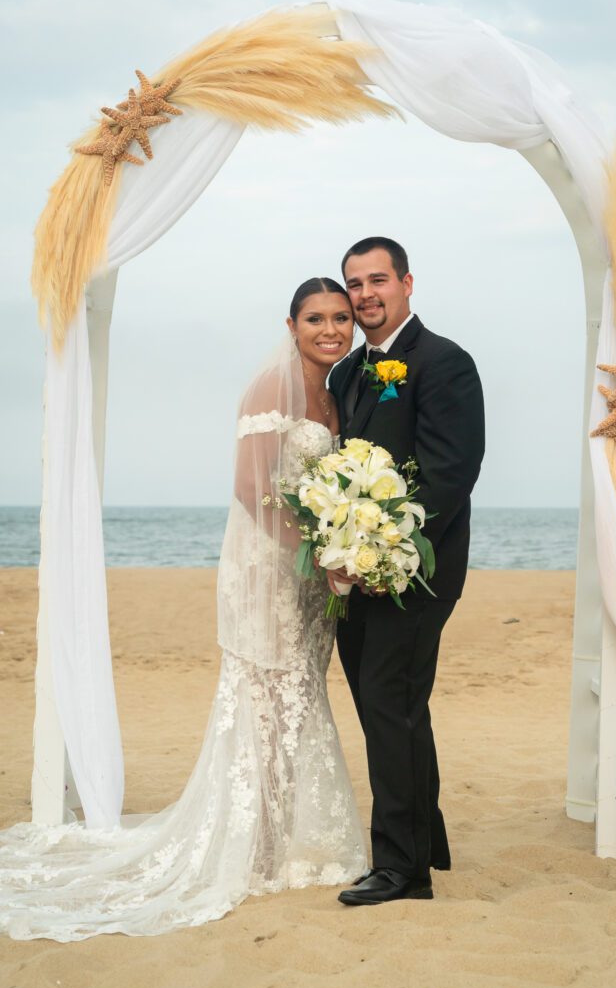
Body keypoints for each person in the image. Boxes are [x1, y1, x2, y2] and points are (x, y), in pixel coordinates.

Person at [0, 278, 366, 940]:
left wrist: (333, 554)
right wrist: (319, 552)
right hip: (266, 568)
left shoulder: (335, 394)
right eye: (316, 318)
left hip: (310, 576)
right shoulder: (266, 388)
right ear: (290, 324)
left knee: (300, 694)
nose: (331, 329)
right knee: (261, 695)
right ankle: (250, 846)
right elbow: (251, 487)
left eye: (340, 317)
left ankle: (286, 838)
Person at [328, 237, 485, 906]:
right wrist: (339, 546)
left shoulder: (444, 362)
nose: (365, 294)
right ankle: (424, 840)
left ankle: (401, 869)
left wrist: (389, 552)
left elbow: (450, 471)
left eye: (377, 280)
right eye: (354, 283)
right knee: (385, 709)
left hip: (415, 572)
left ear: (407, 283)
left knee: (390, 703)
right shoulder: (345, 374)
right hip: (352, 571)